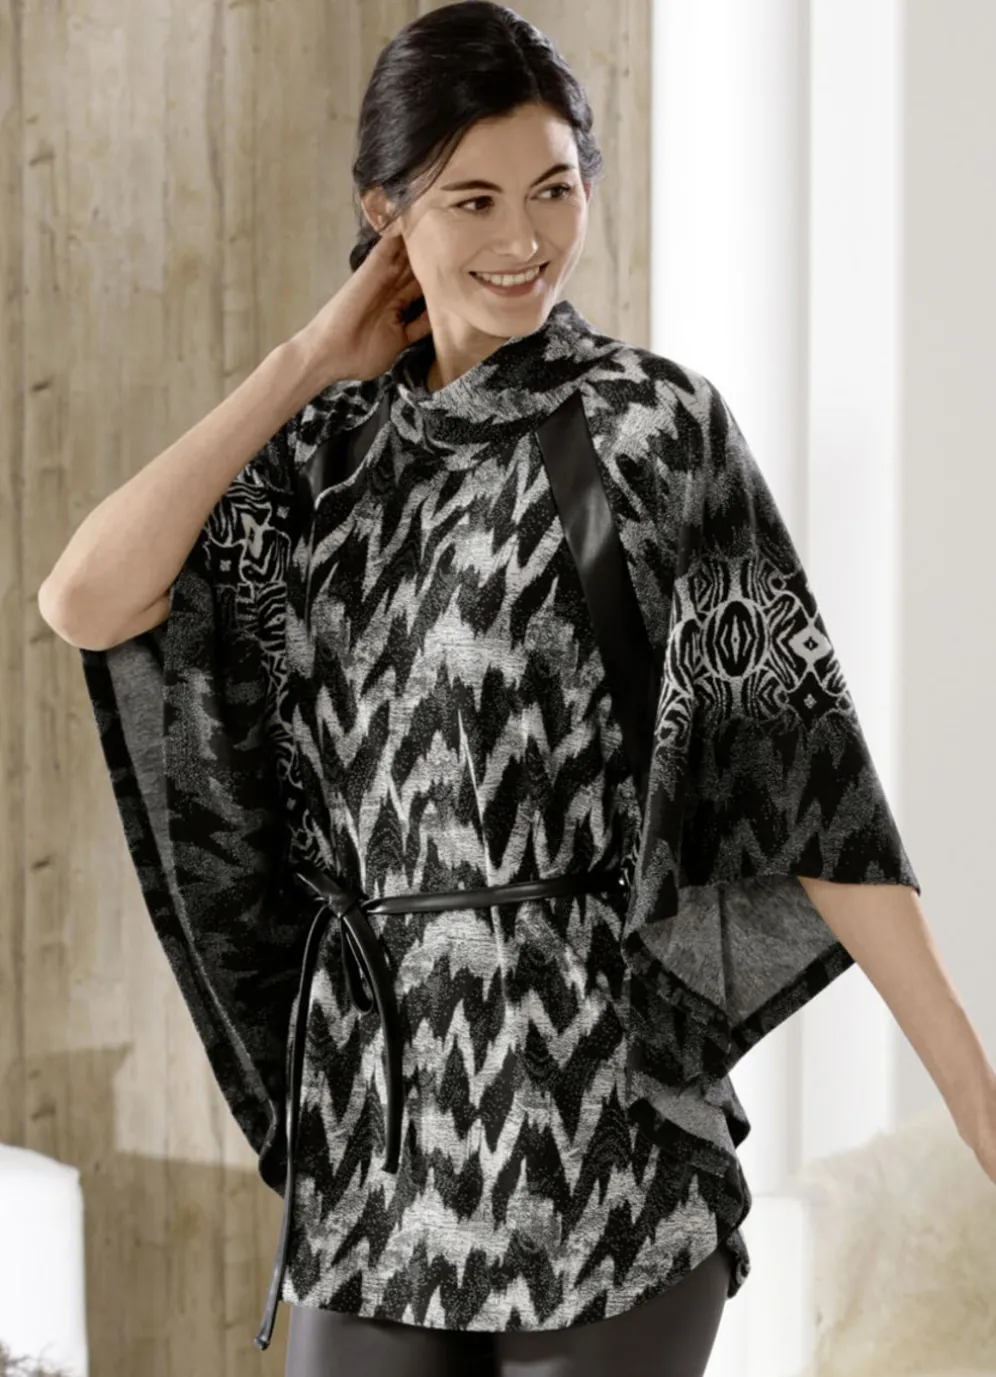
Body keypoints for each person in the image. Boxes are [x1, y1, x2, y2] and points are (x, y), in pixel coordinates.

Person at [39, 4, 921, 1374]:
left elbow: (807, 788)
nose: (525, 238)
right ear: (387, 214)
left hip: (603, 1137)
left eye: (555, 189)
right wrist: (305, 363)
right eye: (474, 199)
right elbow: (86, 599)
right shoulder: (320, 465)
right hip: (379, 1143)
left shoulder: (649, 427)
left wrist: (975, 1100)